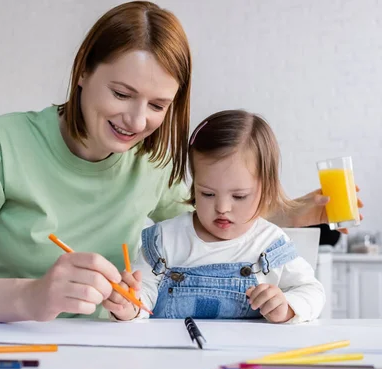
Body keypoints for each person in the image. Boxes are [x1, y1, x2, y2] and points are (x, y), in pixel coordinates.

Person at [0, 1, 361, 323]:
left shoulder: (153, 162)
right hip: (6, 352)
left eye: (158, 106)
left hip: (110, 354)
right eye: (121, 93)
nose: (137, 121)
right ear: (82, 73)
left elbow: (217, 212)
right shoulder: (4, 142)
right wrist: (29, 296)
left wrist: (296, 212)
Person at [108, 110, 325, 323]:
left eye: (239, 196)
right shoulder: (164, 239)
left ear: (266, 189)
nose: (222, 207)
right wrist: (129, 305)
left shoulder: (270, 245)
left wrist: (286, 306)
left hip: (243, 356)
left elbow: (311, 290)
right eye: (208, 194)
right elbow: (142, 292)